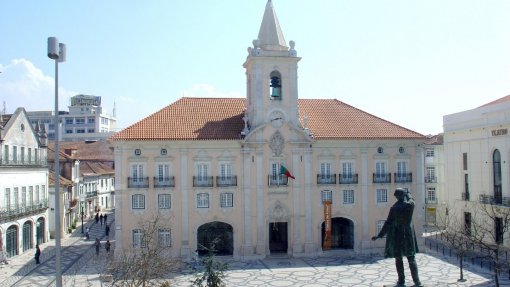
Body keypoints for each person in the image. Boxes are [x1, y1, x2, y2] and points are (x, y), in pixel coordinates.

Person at [372, 188, 423, 287]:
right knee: (411, 258)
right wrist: (408, 193)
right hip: (408, 235)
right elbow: (412, 199)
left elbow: (388, 223)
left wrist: (379, 235)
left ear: (396, 196)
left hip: (397, 235)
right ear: (403, 195)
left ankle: (401, 281)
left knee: (398, 259)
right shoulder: (410, 205)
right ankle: (417, 282)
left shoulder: (394, 208)